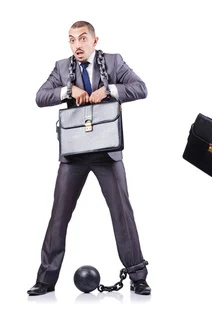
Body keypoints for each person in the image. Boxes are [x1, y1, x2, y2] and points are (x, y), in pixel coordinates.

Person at [28, 21, 151, 296]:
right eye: (71, 40)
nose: (77, 45)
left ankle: (138, 276)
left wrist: (109, 90)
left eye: (82, 39)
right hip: (74, 154)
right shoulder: (62, 68)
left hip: (107, 151)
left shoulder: (114, 62)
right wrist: (67, 91)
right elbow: (40, 96)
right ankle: (46, 279)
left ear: (94, 41)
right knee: (58, 216)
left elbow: (141, 88)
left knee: (122, 214)